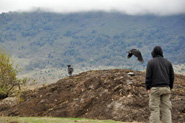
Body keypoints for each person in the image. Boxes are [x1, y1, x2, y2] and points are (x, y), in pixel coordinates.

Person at [145, 46, 174, 123]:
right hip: (166, 88)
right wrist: (170, 87)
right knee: (166, 109)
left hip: (155, 89)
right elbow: (172, 76)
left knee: (155, 109)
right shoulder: (168, 62)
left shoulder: (151, 62)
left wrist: (148, 87)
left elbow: (148, 76)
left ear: (153, 53)